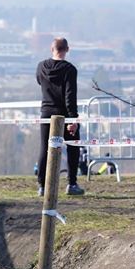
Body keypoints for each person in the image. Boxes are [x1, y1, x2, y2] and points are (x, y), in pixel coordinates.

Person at [36, 37, 85, 196]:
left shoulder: (41, 66)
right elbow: (70, 96)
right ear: (67, 49)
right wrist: (73, 119)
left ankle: (42, 186)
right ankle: (72, 183)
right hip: (64, 115)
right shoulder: (70, 70)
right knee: (73, 147)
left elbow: (39, 81)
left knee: (45, 148)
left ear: (52, 49)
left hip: (46, 113)